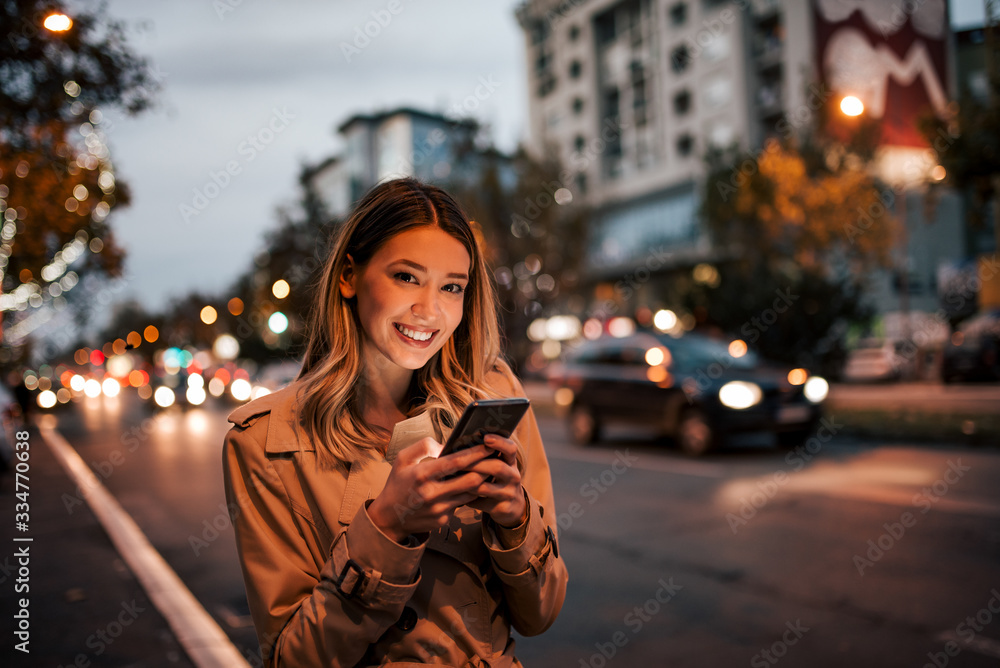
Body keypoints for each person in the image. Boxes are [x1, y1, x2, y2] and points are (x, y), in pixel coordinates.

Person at [223, 177, 567, 667]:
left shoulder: (495, 395)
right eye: (407, 277)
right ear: (349, 275)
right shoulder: (265, 441)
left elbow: (541, 615)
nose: (429, 311)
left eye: (452, 287)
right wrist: (386, 527)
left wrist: (515, 520)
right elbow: (293, 660)